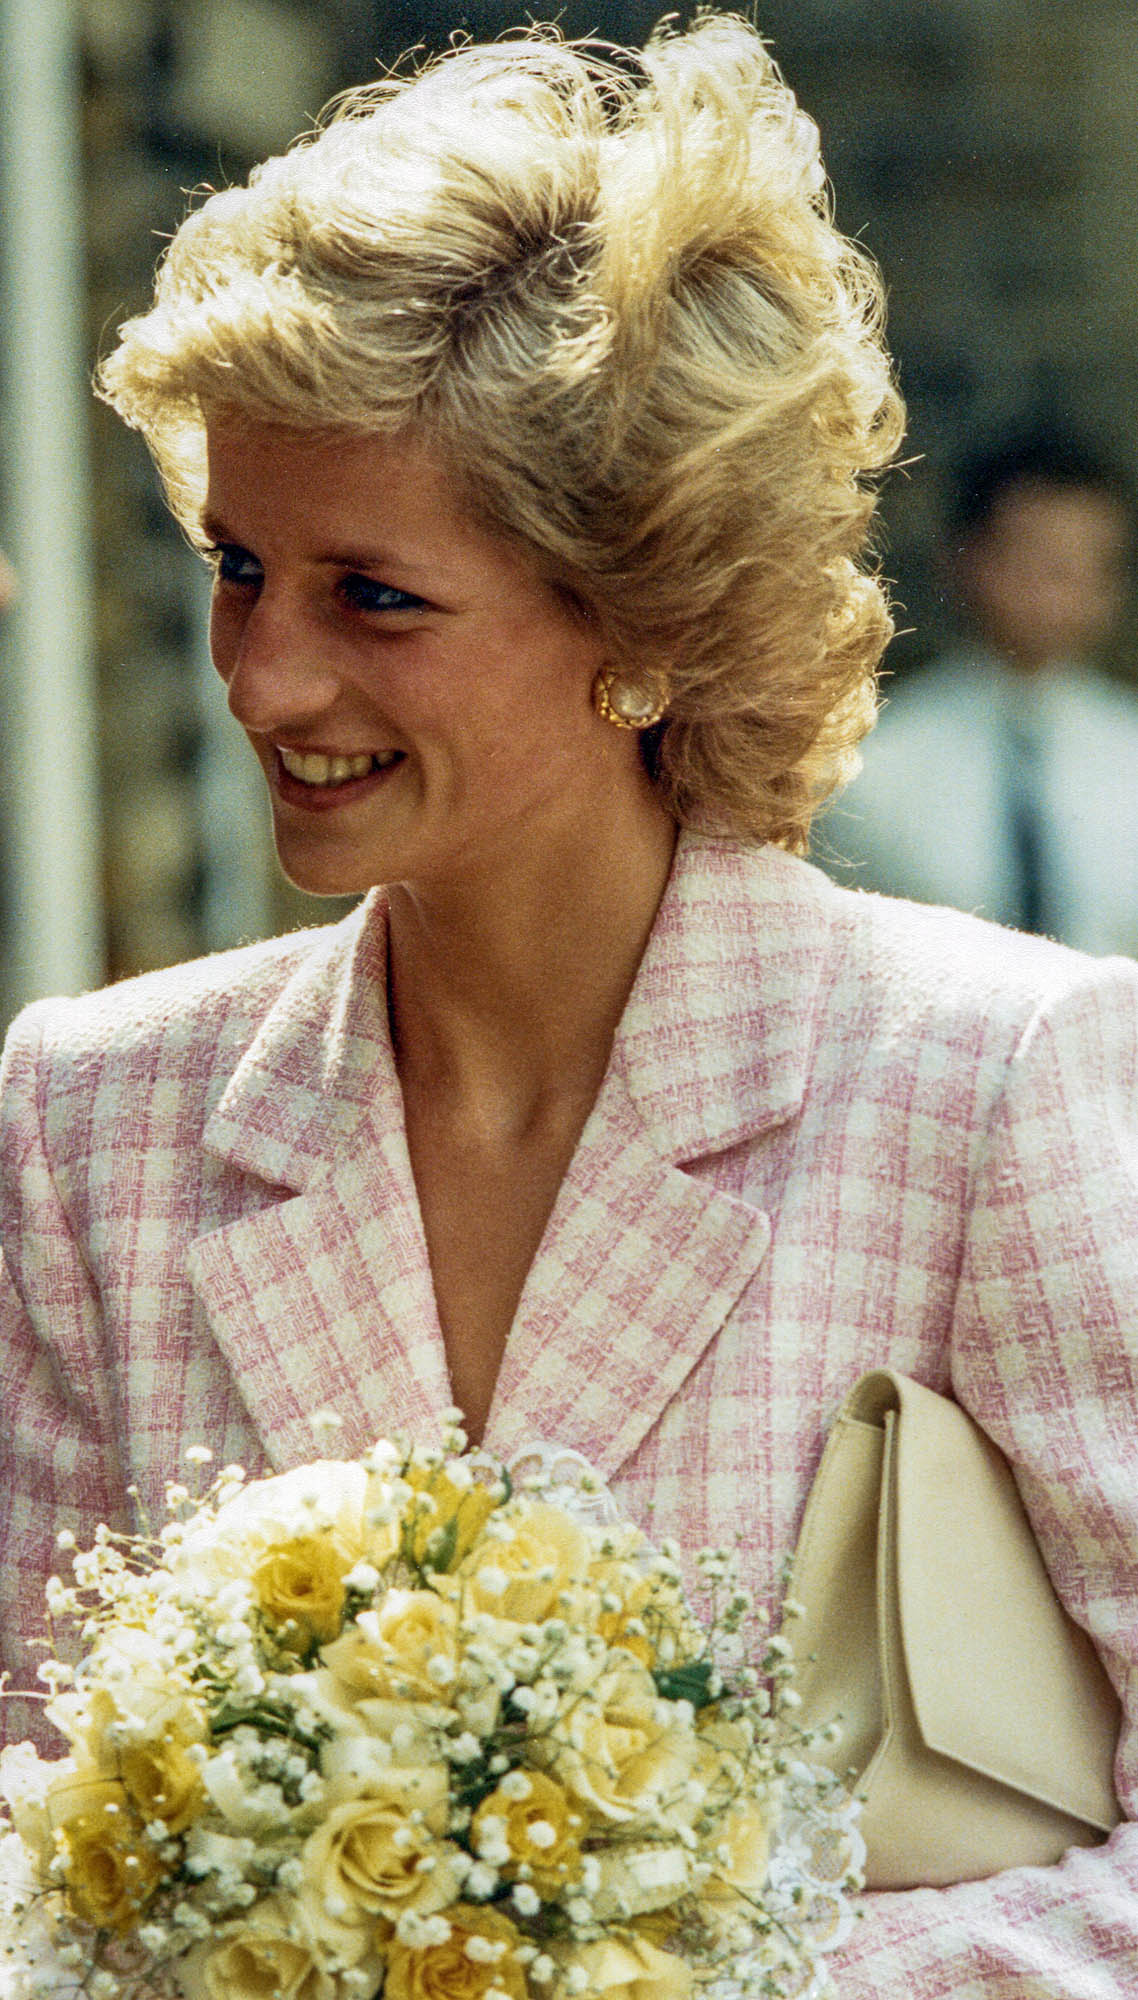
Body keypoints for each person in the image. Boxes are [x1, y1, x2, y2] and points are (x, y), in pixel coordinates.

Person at [1, 19, 1136, 1996]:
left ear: (642, 620)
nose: (258, 677)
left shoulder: (985, 1083)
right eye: (235, 564)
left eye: (371, 596)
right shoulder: (90, 1114)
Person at [821, 427, 1138, 952]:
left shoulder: (1129, 748)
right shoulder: (875, 766)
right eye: (1034, 559)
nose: (1056, 593)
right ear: (966, 558)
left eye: (1083, 566)